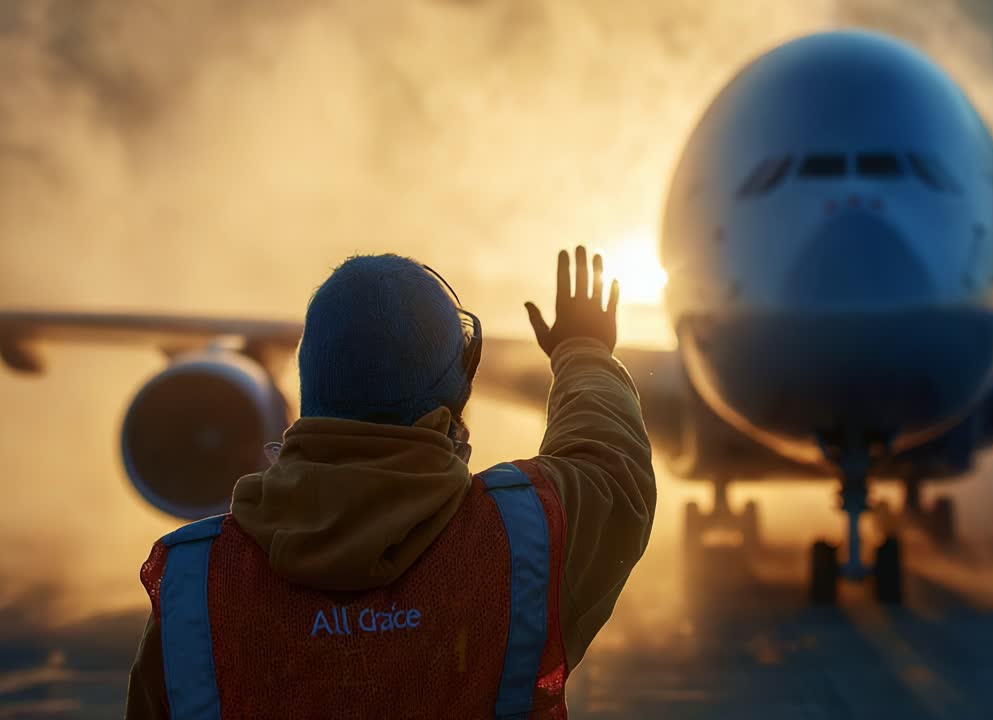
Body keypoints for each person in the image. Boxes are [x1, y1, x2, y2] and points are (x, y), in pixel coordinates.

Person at [125, 247, 656, 719]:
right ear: (456, 392)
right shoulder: (525, 542)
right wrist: (583, 350)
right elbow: (612, 462)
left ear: (312, 384)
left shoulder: (192, 587)